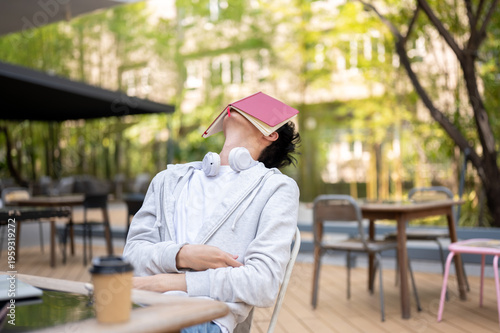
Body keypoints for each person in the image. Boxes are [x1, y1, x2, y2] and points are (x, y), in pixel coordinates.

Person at [123, 92, 300, 333]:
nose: (236, 106)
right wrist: (182, 256)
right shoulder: (168, 180)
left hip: (199, 317)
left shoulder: (275, 188)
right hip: (137, 304)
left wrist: (168, 282)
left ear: (270, 133)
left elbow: (264, 283)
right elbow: (131, 256)